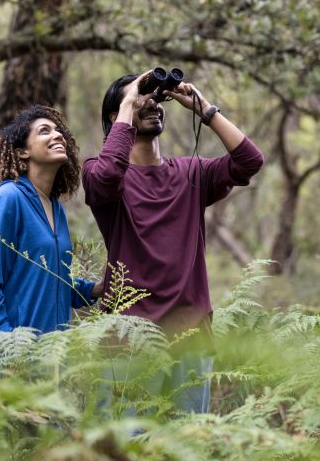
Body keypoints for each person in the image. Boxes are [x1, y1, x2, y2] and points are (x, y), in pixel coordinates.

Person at [82, 70, 264, 413]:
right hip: (128, 340)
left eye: (155, 98)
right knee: (125, 444)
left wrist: (204, 108)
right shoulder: (100, 172)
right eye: (139, 99)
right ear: (116, 113)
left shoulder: (191, 173)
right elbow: (106, 178)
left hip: (190, 337)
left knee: (188, 444)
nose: (151, 103)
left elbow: (250, 161)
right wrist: (128, 102)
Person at [0, 105, 102, 348]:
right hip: (9, 362)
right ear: (22, 153)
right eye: (44, 131)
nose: (58, 135)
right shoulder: (9, 198)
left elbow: (52, 279)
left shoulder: (56, 208)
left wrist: (93, 290)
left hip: (50, 361)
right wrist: (6, 349)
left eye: (58, 131)